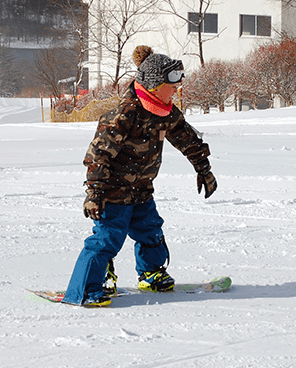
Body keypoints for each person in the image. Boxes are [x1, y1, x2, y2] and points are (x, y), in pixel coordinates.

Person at [61, 45, 217, 307]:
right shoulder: (125, 115)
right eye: (173, 80)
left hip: (142, 189)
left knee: (151, 232)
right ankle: (85, 289)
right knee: (107, 239)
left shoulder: (165, 111)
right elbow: (98, 155)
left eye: (180, 79)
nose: (178, 86)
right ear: (155, 84)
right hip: (112, 192)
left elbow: (187, 139)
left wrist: (203, 168)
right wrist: (95, 193)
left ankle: (151, 274)